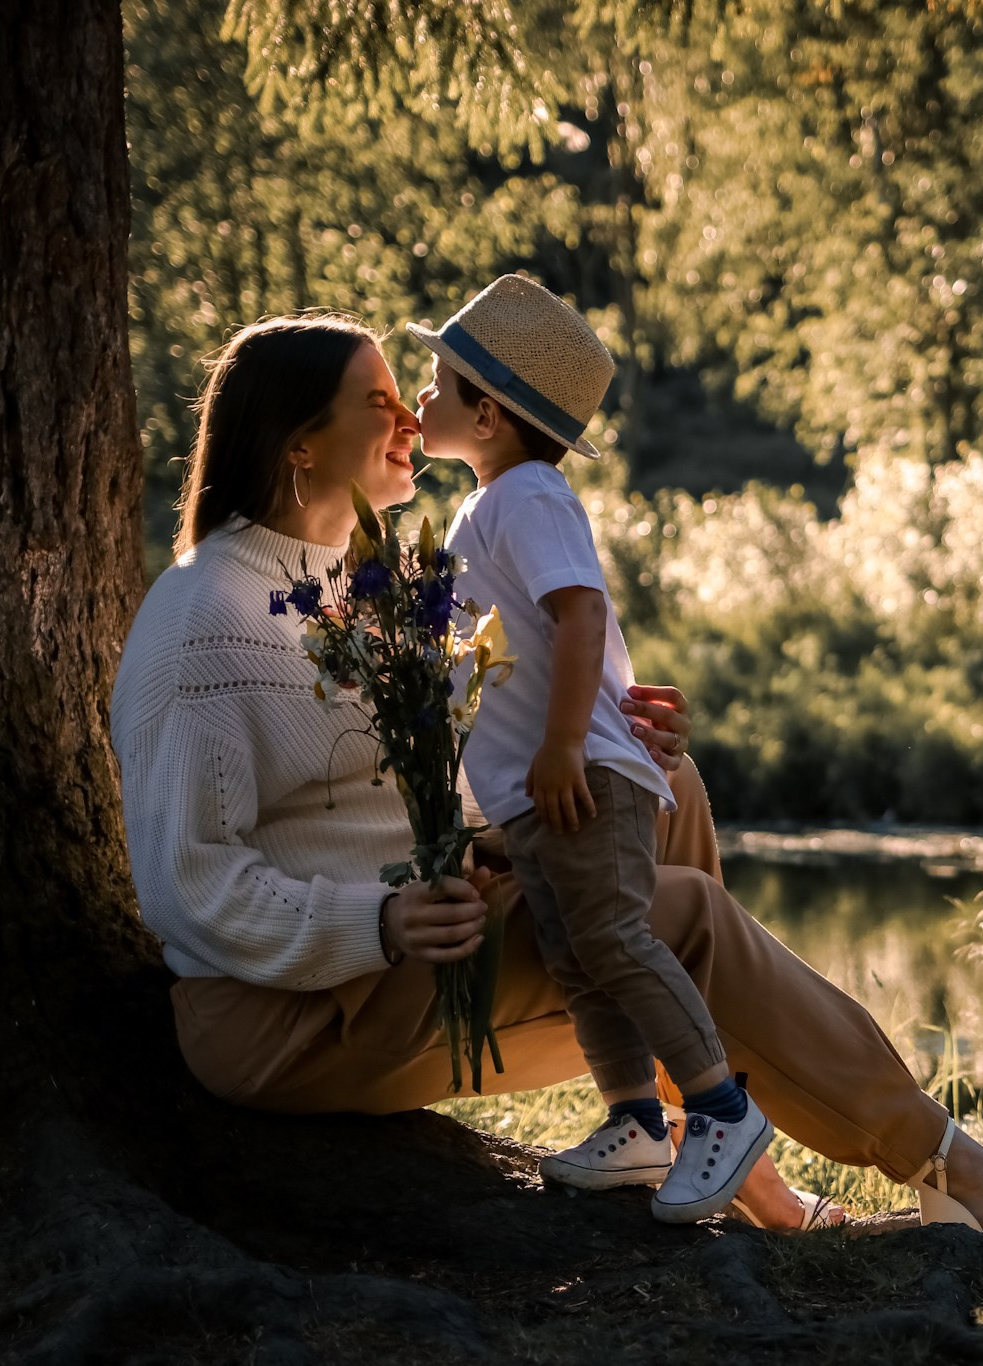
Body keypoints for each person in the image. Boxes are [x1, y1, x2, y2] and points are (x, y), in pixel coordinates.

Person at [110, 309, 983, 1252]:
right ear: (297, 442)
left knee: (653, 794)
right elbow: (185, 881)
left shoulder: (367, 585)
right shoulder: (205, 618)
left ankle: (722, 1159)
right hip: (292, 1014)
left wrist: (610, 746)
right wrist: (375, 921)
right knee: (674, 914)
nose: (411, 418)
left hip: (408, 963)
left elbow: (417, 788)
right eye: (378, 401)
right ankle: (954, 1170)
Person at [408, 274, 767, 1223]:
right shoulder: (487, 504)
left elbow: (579, 614)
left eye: (434, 385)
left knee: (613, 934)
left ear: (485, 415)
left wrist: (566, 744)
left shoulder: (529, 495)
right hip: (539, 790)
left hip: (584, 778)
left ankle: (722, 1110)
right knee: (575, 953)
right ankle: (635, 1121)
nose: (419, 399)